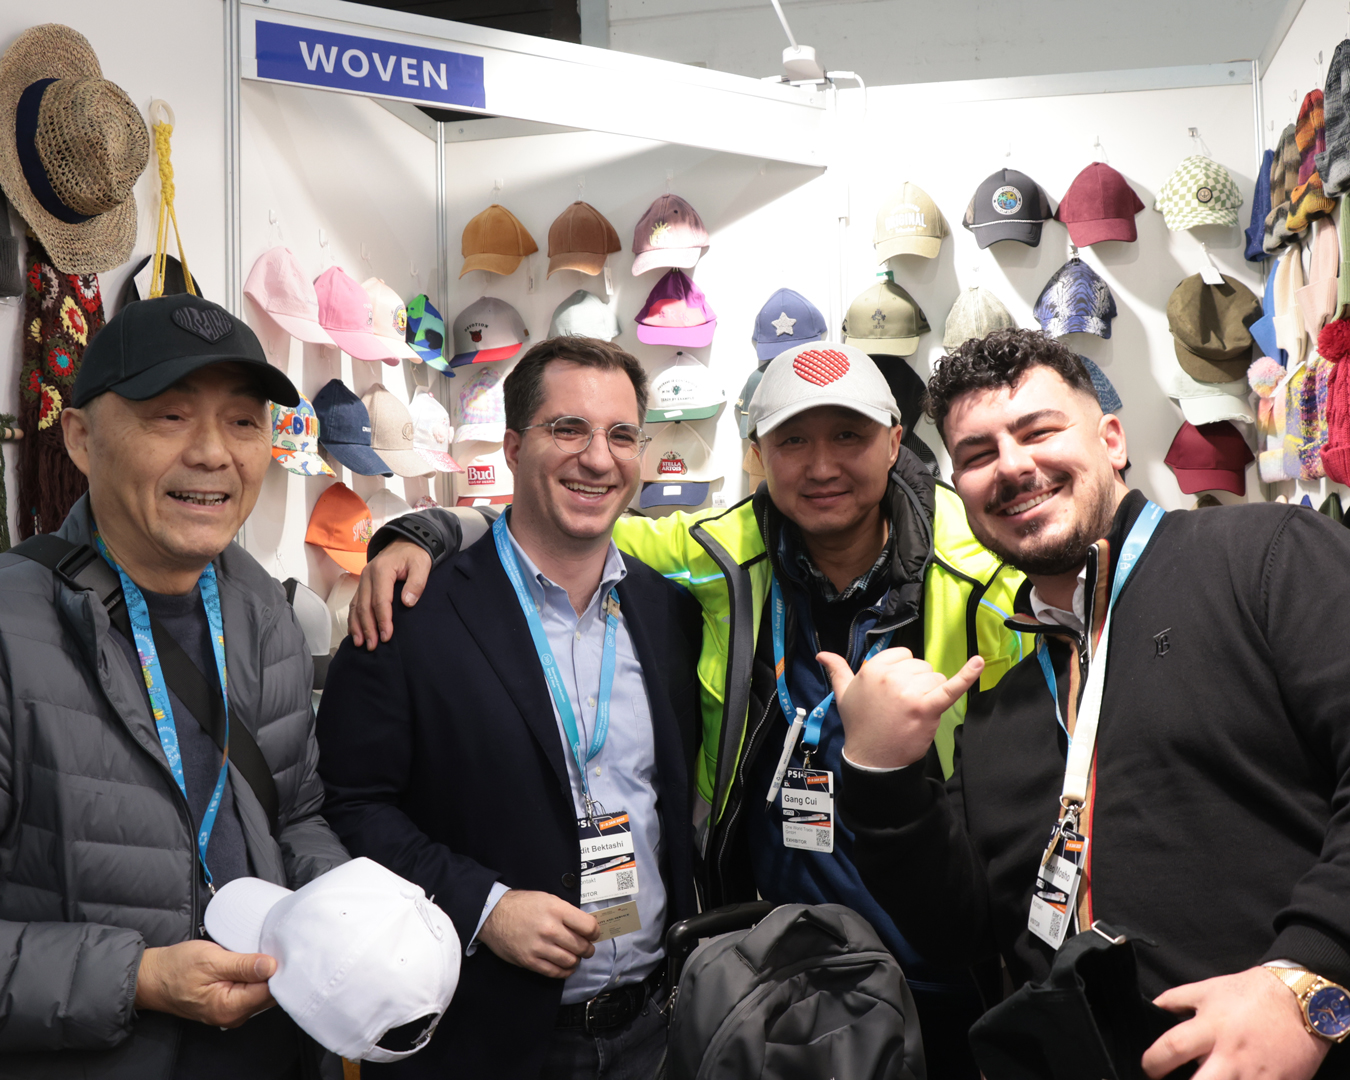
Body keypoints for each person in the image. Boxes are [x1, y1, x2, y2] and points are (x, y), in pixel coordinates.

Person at [351, 341, 1029, 1078]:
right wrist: (424, 531)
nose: (822, 466)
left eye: (849, 436)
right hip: (769, 968)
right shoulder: (717, 553)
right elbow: (564, 520)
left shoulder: (987, 578)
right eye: (793, 441)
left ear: (895, 442)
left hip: (936, 973)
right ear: (757, 455)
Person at [831, 327, 1350, 1079]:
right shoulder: (999, 713)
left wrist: (1309, 977)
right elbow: (960, 933)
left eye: (1038, 431)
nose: (1012, 465)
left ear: (1111, 441)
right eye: (976, 454)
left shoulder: (1263, 557)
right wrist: (879, 775)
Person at [316, 337, 701, 1079]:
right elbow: (347, 805)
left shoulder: (667, 614)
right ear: (515, 447)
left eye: (622, 435)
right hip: (480, 1038)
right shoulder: (410, 615)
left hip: (655, 1029)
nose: (598, 458)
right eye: (569, 429)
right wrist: (484, 907)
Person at [0, 294, 349, 1078]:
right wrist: (140, 979)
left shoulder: (264, 610)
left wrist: (340, 911)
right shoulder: (11, 630)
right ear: (81, 438)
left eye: (243, 421)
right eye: (169, 415)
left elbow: (296, 814)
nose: (214, 453)